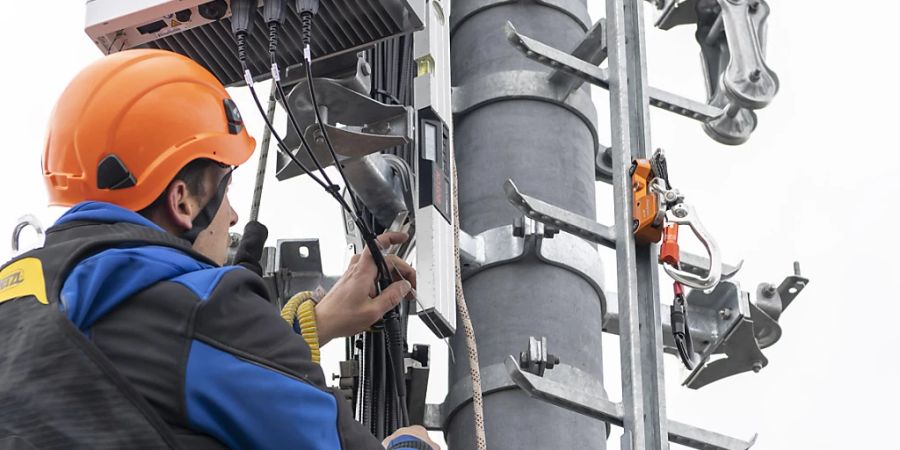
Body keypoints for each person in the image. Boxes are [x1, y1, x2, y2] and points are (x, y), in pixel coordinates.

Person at [0, 49, 439, 450]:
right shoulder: (201, 309)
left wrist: (311, 326)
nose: (231, 216)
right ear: (182, 201)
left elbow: (149, 376)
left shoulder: (24, 303)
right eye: (226, 186)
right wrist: (408, 445)